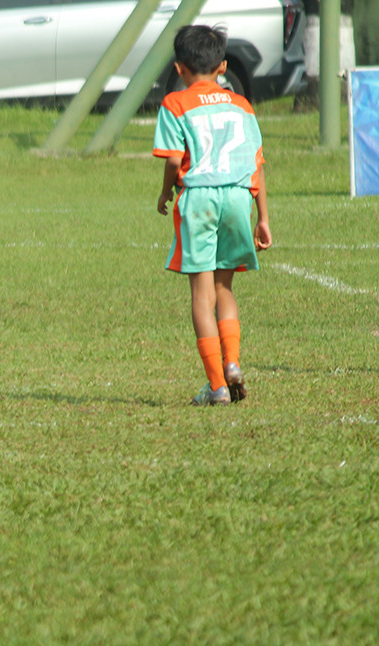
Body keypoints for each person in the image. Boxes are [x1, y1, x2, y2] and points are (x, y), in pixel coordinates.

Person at [154, 25, 272, 406]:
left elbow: (174, 159)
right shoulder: (242, 105)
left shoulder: (175, 103)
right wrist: (263, 218)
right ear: (223, 66)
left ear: (179, 67)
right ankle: (233, 362)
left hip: (200, 197)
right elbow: (257, 164)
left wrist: (164, 191)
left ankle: (218, 386)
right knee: (225, 290)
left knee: (201, 295)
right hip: (239, 197)